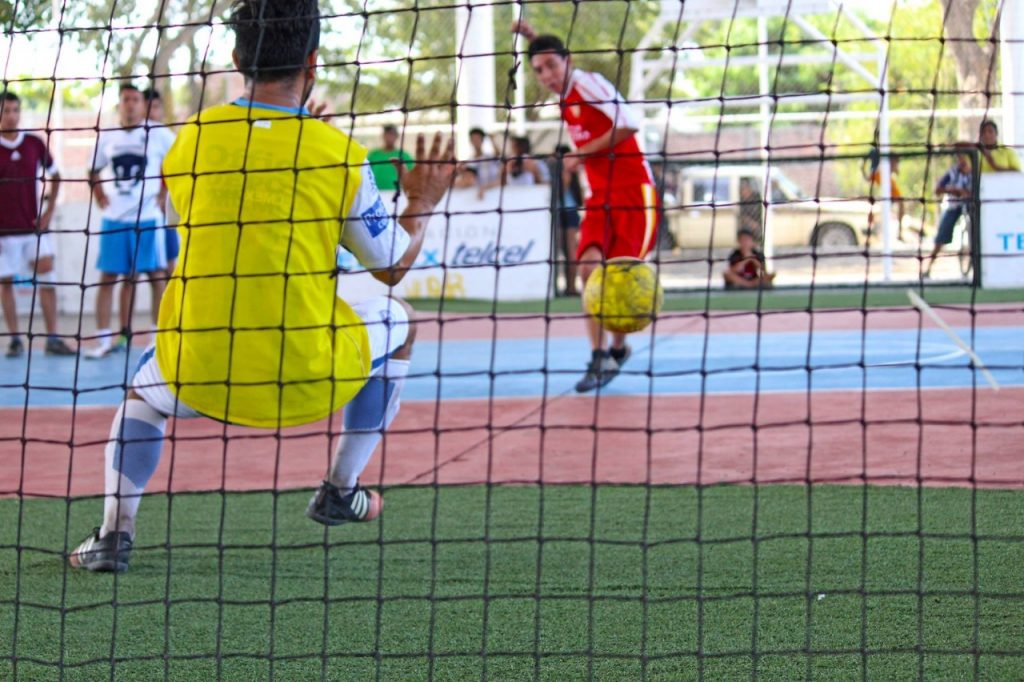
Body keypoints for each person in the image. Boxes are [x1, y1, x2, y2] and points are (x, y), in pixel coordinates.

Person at [68, 0, 455, 573]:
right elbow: (392, 266)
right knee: (404, 321)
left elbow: (204, 222)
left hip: (200, 373)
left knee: (142, 396)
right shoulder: (338, 156)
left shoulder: (191, 140)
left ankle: (113, 535)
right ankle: (340, 488)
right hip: (309, 374)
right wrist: (420, 200)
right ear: (313, 62)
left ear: (236, 57)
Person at [514, 21, 659, 392]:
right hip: (599, 198)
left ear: (569, 60)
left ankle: (617, 348)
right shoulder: (563, 97)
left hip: (633, 193)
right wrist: (533, 38)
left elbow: (629, 124)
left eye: (552, 65)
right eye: (539, 70)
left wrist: (580, 154)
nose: (547, 75)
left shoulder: (588, 84)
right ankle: (598, 356)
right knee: (587, 269)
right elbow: (553, 53)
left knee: (620, 276)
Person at [86, 83, 175, 359]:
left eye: (135, 99)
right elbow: (92, 169)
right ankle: (105, 338)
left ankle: (158, 338)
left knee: (156, 275)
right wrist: (99, 194)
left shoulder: (159, 133)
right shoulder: (107, 136)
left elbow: (180, 163)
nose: (131, 104)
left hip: (148, 218)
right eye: (126, 99)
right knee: (109, 277)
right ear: (119, 104)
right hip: (114, 218)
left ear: (142, 104)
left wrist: (164, 193)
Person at [0, 91, 75, 357]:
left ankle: (53, 338)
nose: (12, 116)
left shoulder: (33, 143)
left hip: (34, 230)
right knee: (5, 284)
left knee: (48, 277)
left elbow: (56, 176)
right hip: (4, 233)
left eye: (15, 110)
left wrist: (48, 212)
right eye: (6, 111)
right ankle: (15, 340)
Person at [142, 87, 180, 278]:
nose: (151, 112)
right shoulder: (133, 135)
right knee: (136, 274)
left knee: (168, 266)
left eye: (155, 107)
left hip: (163, 211)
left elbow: (177, 165)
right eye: (147, 107)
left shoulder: (165, 135)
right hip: (140, 213)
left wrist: (165, 192)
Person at [924, 149, 973, 279]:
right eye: (959, 157)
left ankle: (976, 266)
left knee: (977, 234)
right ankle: (928, 268)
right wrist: (954, 190)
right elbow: (938, 189)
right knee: (941, 236)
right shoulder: (952, 172)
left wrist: (967, 194)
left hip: (971, 207)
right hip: (953, 206)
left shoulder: (975, 172)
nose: (961, 160)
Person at [552, 144, 582, 295]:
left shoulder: (566, 172)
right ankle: (568, 287)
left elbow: (560, 193)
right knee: (565, 251)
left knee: (570, 251)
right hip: (566, 212)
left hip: (567, 212)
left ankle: (571, 287)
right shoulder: (571, 171)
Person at [869, 154, 905, 242]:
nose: (895, 164)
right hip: (885, 194)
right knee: (878, 211)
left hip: (890, 194)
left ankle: (899, 232)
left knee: (900, 205)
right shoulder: (879, 171)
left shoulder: (888, 174)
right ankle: (873, 230)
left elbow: (897, 172)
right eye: (895, 162)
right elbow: (868, 178)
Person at [367, 124, 414, 190]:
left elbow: (412, 175)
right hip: (376, 191)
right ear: (383, 136)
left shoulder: (404, 155)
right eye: (387, 134)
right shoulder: (373, 155)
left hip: (397, 192)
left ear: (396, 136)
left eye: (392, 134)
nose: (389, 137)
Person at [465, 127, 502, 199]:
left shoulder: (489, 157)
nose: (475, 142)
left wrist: (492, 140)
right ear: (470, 141)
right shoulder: (469, 161)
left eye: (477, 139)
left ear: (482, 140)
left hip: (493, 193)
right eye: (473, 139)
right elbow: (468, 180)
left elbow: (498, 155)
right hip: (477, 197)